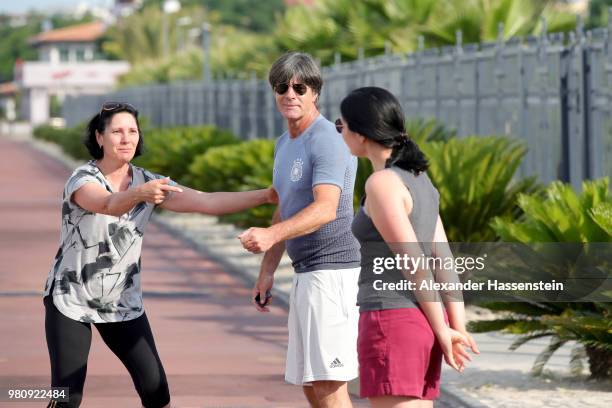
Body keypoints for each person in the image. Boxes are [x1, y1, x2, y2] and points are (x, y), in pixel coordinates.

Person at [43, 102, 277, 408]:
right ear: (100, 137)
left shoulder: (149, 181)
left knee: (156, 393)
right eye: (117, 131)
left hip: (121, 302)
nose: (126, 138)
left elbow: (206, 202)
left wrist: (266, 195)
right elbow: (108, 204)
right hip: (71, 298)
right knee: (66, 398)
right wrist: (140, 194)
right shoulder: (83, 179)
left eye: (132, 131)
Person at [337, 87, 480, 408]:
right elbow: (442, 259)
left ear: (361, 133)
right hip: (422, 322)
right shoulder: (419, 179)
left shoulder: (382, 184)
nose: (340, 133)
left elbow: (414, 261)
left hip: (392, 320)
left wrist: (446, 330)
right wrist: (452, 325)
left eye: (341, 125)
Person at [238, 52, 361, 407]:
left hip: (334, 273)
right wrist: (266, 272)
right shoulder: (284, 144)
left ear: (315, 93)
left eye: (300, 87)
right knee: (311, 383)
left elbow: (326, 208)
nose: (290, 94)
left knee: (328, 384)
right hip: (307, 273)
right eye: (282, 86)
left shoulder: (327, 139)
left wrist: (270, 236)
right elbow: (284, 208)